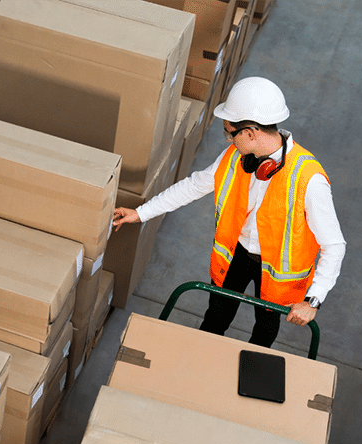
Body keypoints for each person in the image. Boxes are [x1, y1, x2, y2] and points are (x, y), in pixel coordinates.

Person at [112, 76, 346, 348]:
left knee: (264, 331)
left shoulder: (308, 179)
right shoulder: (236, 159)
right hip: (236, 254)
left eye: (230, 133)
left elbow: (334, 245)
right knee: (215, 318)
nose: (228, 139)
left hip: (276, 275)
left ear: (251, 132)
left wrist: (312, 301)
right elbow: (193, 186)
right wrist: (140, 213)